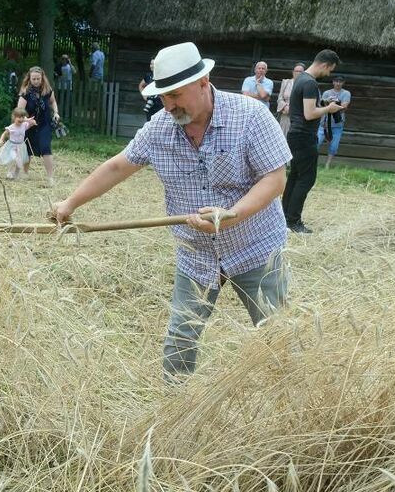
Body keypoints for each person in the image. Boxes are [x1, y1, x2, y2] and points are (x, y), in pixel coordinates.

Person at [49, 42, 290, 380]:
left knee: (277, 332)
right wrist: (70, 203)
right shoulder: (159, 129)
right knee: (180, 341)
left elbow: (275, 179)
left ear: (203, 83)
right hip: (197, 254)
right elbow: (118, 167)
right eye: (164, 96)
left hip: (254, 247)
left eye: (176, 95)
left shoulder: (250, 117)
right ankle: (174, 411)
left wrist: (232, 213)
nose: (170, 105)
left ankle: (295, 407)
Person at [282, 48, 342, 234]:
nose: (329, 74)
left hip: (295, 134)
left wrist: (321, 105)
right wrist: (329, 109)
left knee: (294, 177)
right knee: (306, 179)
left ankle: (285, 218)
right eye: (330, 70)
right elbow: (309, 114)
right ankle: (293, 221)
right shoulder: (309, 83)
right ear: (325, 64)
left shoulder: (300, 79)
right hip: (304, 136)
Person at [16, 66, 61, 185]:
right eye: (34, 79)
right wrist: (27, 120)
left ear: (42, 78)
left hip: (44, 124)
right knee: (28, 149)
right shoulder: (25, 93)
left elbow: (53, 102)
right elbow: (19, 111)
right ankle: (25, 173)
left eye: (38, 79)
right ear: (29, 79)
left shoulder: (47, 90)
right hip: (29, 125)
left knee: (46, 147)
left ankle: (50, 178)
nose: (36, 81)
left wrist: (56, 112)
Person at [317, 74, 351, 167]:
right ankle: (313, 161)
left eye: (340, 82)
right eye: (336, 81)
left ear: (343, 83)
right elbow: (321, 105)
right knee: (317, 142)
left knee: (334, 146)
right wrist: (333, 104)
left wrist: (331, 104)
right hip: (324, 123)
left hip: (337, 124)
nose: (338, 83)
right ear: (333, 82)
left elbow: (344, 107)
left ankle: (327, 164)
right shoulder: (327, 93)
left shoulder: (346, 93)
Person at [0, 107, 35, 179]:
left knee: (19, 162)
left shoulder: (24, 125)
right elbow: (4, 134)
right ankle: (9, 172)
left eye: (22, 117)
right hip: (12, 146)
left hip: (20, 146)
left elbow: (32, 123)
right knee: (14, 158)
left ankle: (16, 174)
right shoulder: (12, 127)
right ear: (14, 117)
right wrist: (1, 140)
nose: (21, 119)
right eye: (19, 117)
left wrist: (28, 120)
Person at [275, 63, 305, 135]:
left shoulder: (306, 84)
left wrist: (292, 109)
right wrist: (285, 106)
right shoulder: (286, 82)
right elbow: (280, 98)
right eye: (296, 71)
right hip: (285, 115)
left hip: (297, 117)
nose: (298, 73)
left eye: (300, 71)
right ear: (293, 72)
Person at [57, 54, 74, 119]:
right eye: (63, 59)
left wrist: (70, 63)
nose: (64, 60)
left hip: (68, 87)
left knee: (69, 102)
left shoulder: (69, 67)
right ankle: (62, 115)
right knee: (61, 102)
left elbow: (74, 71)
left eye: (66, 59)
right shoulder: (59, 67)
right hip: (60, 87)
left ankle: (69, 116)